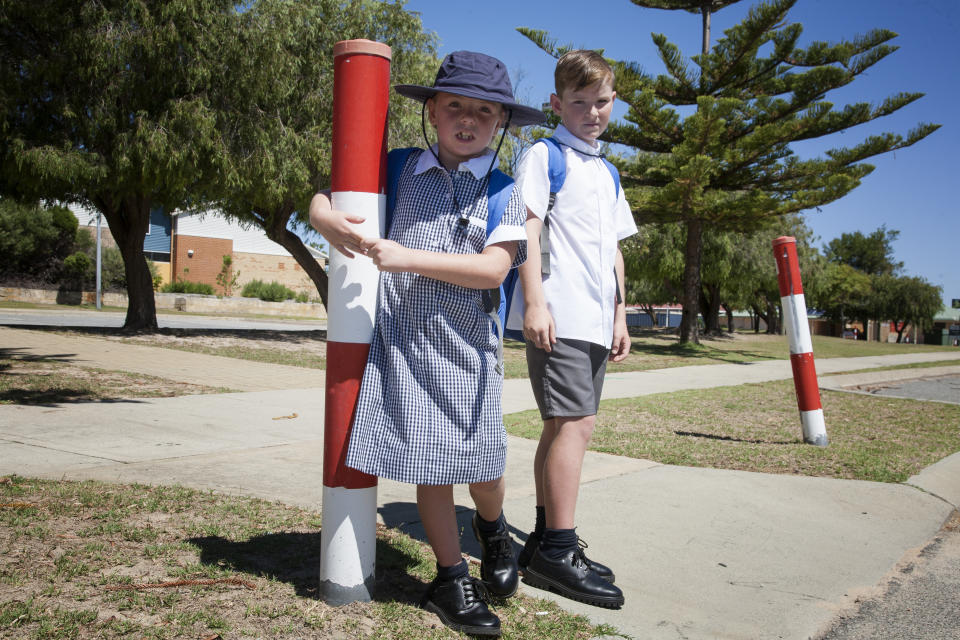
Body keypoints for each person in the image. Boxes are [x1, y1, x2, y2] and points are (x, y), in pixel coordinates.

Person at [309, 51, 545, 637]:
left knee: (484, 467)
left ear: (501, 124)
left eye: (484, 112)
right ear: (433, 111)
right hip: (405, 348)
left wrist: (403, 257)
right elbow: (322, 196)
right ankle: (449, 575)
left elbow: (493, 270)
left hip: (469, 353)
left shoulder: (504, 192)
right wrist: (325, 220)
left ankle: (492, 530)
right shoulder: (395, 169)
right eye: (456, 107)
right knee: (431, 465)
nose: (468, 120)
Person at [507, 49, 636, 609]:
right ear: (557, 104)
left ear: (614, 102)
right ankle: (558, 552)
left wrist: (620, 311)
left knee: (561, 428)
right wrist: (535, 302)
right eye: (578, 103)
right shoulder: (544, 155)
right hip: (559, 314)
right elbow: (525, 231)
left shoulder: (605, 169)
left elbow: (613, 251)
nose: (591, 112)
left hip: (594, 319)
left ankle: (542, 540)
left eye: (601, 101)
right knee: (575, 427)